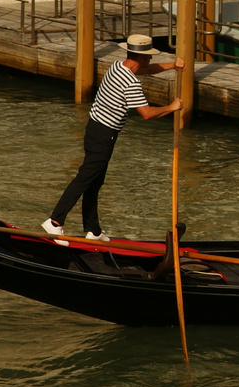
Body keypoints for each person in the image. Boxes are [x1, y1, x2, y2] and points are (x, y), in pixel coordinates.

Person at [43, 34, 183, 241]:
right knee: (85, 178)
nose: (151, 60)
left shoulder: (117, 67)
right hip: (104, 134)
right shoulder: (131, 83)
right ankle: (55, 221)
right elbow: (147, 114)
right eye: (149, 56)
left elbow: (146, 70)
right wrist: (172, 107)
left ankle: (93, 230)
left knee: (94, 181)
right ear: (142, 57)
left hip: (93, 129)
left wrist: (172, 65)